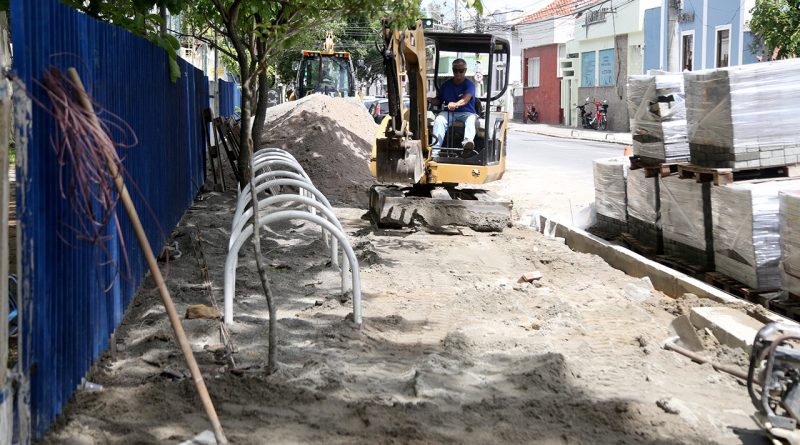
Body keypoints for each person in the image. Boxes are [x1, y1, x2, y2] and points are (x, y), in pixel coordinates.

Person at [428, 59, 477, 153]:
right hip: (449, 113)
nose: (458, 73)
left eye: (461, 71)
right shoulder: (446, 85)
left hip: (466, 113)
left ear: (465, 71)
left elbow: (465, 99)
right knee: (439, 119)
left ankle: (467, 144)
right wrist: (430, 100)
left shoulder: (470, 85)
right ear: (452, 70)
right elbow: (439, 100)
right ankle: (435, 151)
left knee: (471, 119)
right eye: (455, 70)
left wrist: (455, 104)